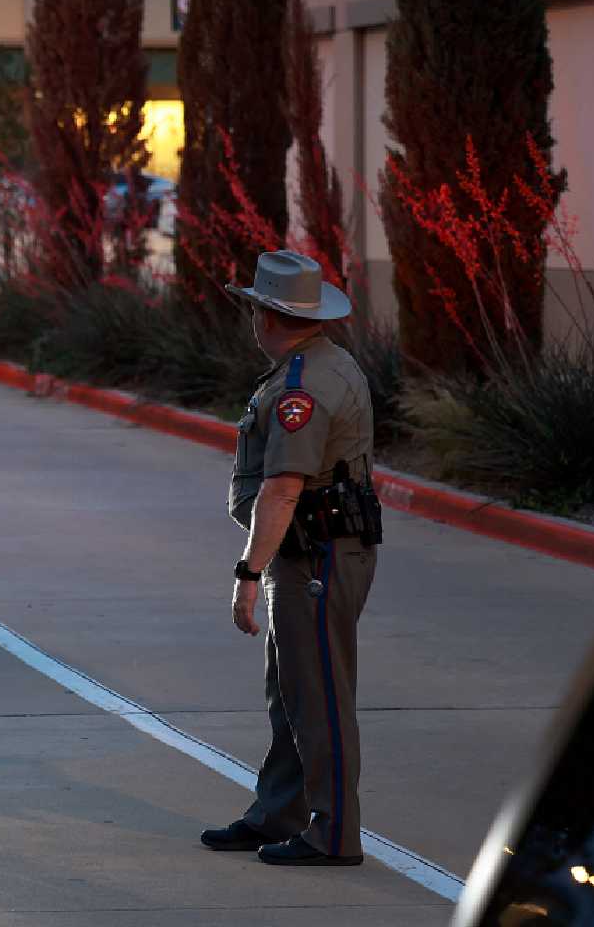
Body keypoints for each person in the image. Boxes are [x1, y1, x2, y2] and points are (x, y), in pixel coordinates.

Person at [200, 249, 381, 867]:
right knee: (293, 693)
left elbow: (282, 489)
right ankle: (278, 814)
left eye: (254, 308)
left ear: (269, 316)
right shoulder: (321, 364)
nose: (251, 319)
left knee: (319, 698)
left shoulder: (301, 388)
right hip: (312, 554)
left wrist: (248, 573)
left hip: (318, 558)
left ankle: (334, 836)